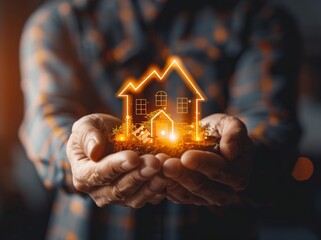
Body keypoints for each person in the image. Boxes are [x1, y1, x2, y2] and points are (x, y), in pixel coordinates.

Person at [19, 0, 301, 239]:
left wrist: (242, 152)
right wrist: (75, 150)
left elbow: (272, 124)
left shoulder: (259, 20)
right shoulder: (60, 21)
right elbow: (45, 119)